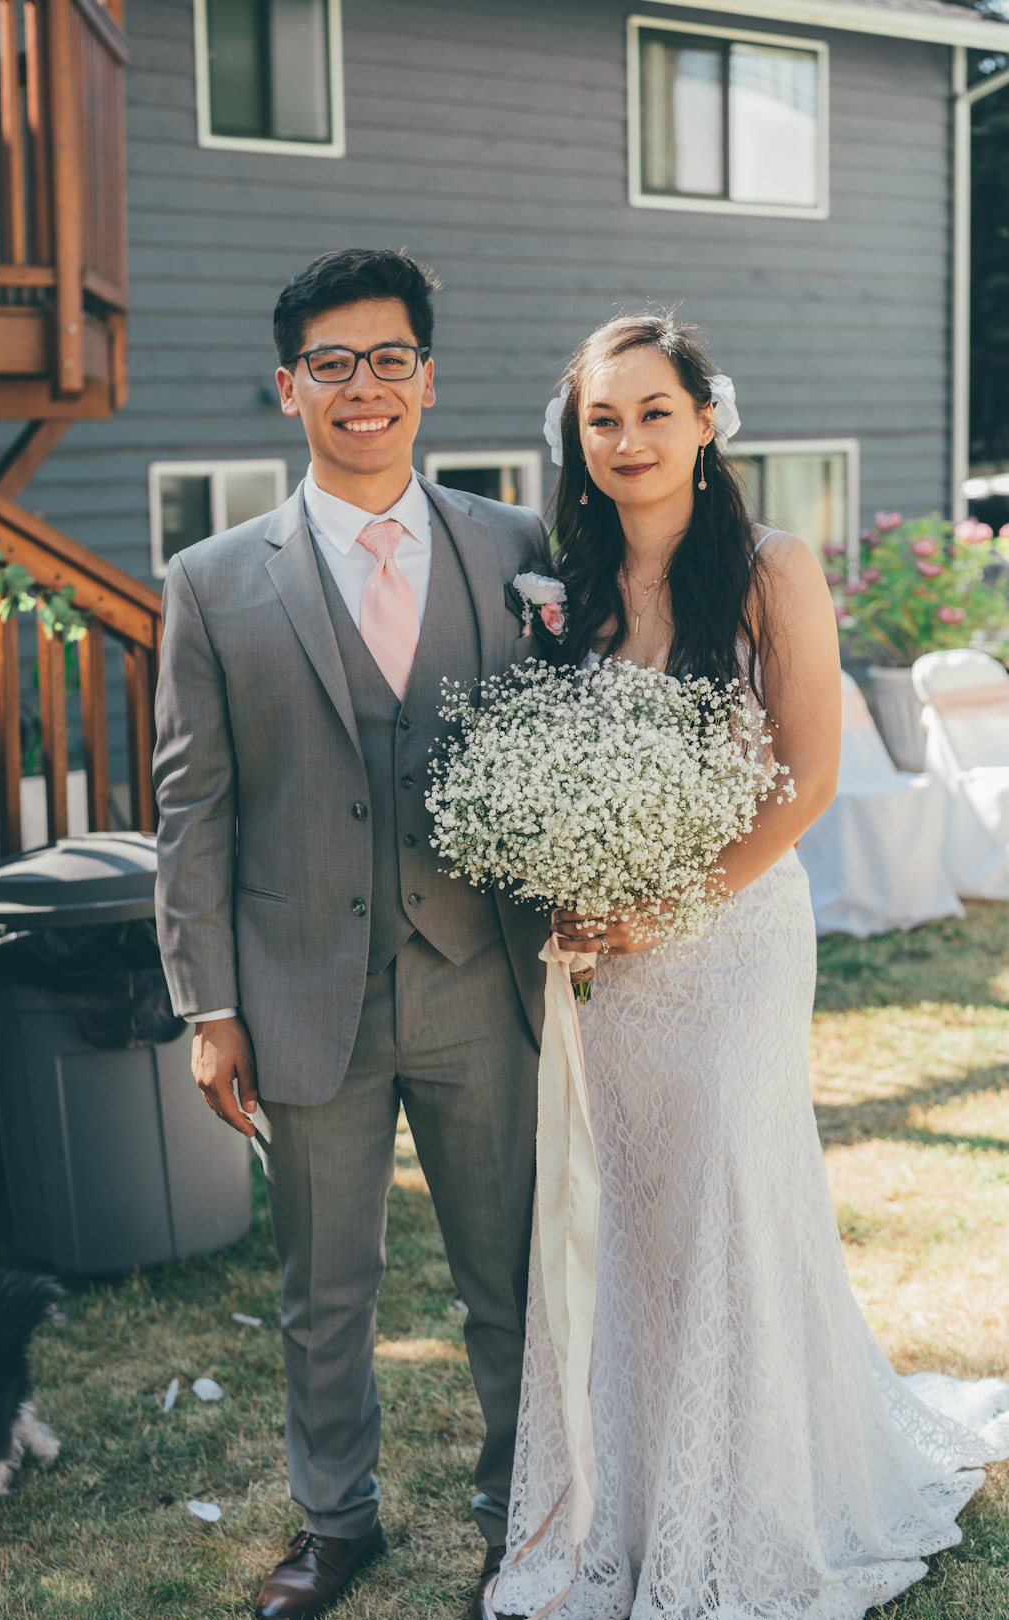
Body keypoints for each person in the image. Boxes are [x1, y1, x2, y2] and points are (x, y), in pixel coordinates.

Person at [489, 311, 1009, 1620]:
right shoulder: (567, 576)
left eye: (653, 412)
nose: (626, 440)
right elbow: (561, 757)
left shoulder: (773, 567)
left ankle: (758, 1488)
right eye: (601, 419)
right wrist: (568, 866)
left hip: (729, 940)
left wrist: (665, 904)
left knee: (728, 1188)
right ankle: (642, 1477)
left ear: (706, 418)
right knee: (630, 1210)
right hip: (602, 948)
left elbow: (811, 779)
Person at [153, 247, 550, 1620]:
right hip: (298, 995)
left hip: (480, 981)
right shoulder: (211, 580)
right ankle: (337, 1524)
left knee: (509, 1273)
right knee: (327, 1290)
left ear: (427, 378)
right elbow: (191, 809)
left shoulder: (514, 548)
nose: (364, 387)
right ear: (289, 390)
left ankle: (525, 1507)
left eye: (389, 359)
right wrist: (209, 1006)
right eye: (332, 364)